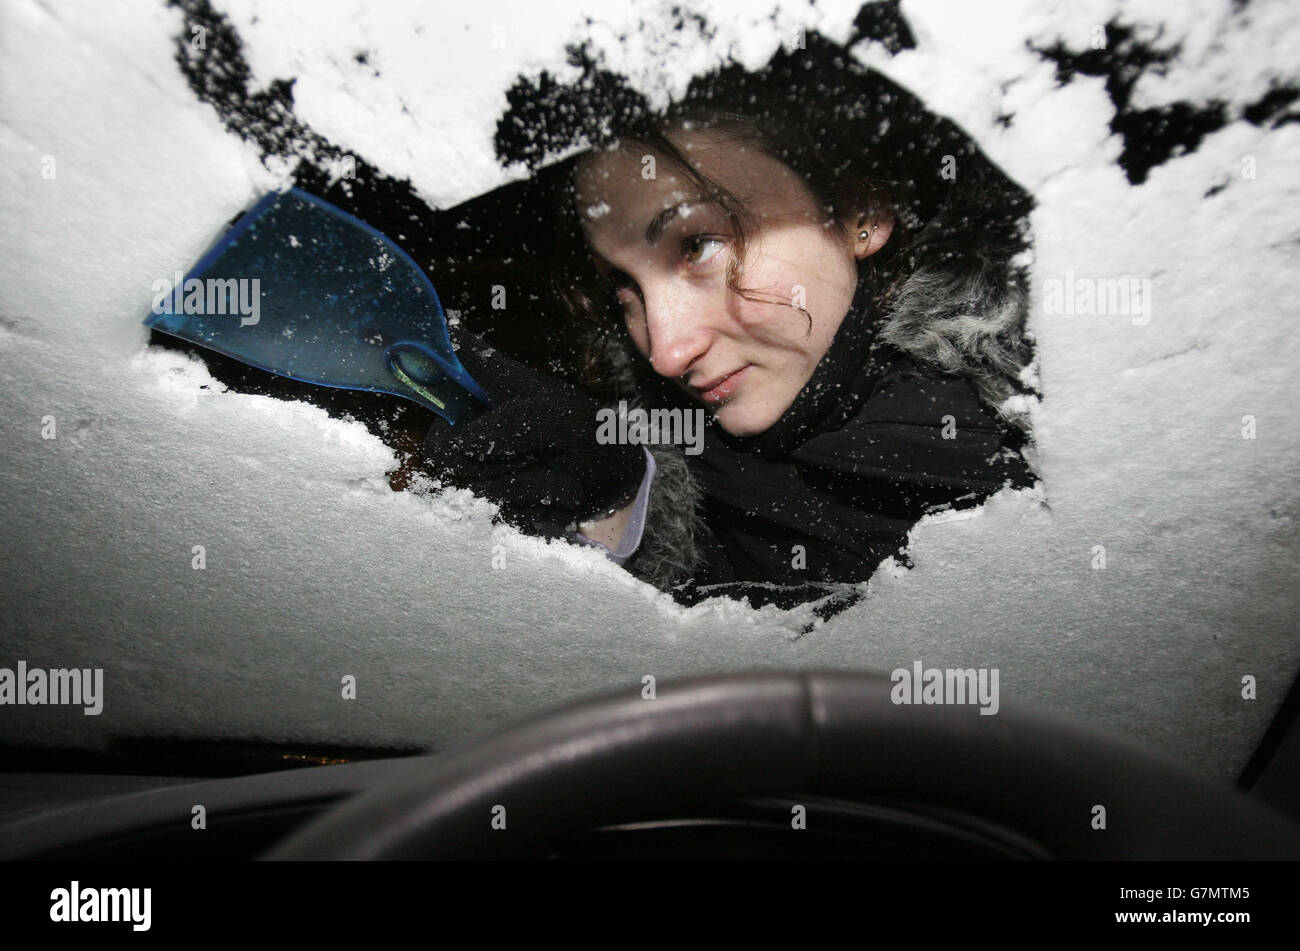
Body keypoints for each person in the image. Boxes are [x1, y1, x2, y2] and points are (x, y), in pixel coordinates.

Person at [426, 46, 1036, 611]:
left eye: (698, 245)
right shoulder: (696, 455)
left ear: (861, 214)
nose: (666, 352)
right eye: (626, 286)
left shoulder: (1045, 449)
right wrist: (620, 509)